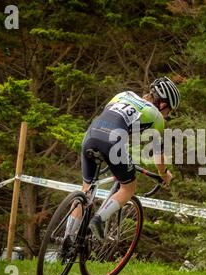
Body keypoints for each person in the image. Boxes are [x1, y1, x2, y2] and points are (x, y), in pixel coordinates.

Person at [63, 77, 180, 245]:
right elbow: (157, 154)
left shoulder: (124, 94)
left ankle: (68, 237)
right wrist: (164, 173)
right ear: (162, 104)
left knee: (86, 190)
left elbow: (111, 117)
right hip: (112, 141)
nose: (167, 115)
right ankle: (99, 219)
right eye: (169, 110)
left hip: (91, 134)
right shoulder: (157, 117)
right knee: (128, 187)